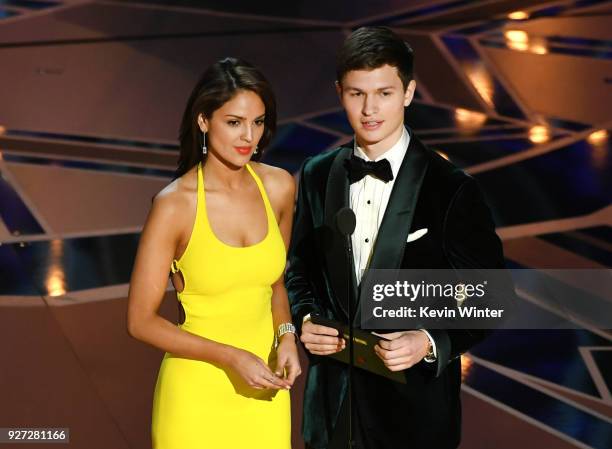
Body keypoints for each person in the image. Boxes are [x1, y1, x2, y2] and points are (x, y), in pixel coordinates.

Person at [286, 27, 506, 449]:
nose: (370, 109)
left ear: (408, 92)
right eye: (356, 94)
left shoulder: (451, 188)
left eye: (384, 93)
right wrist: (307, 319)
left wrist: (427, 340)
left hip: (414, 417)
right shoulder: (317, 174)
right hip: (332, 412)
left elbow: (492, 295)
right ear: (339, 92)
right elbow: (301, 271)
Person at [127, 57, 300, 449]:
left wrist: (286, 337)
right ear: (204, 121)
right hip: (195, 396)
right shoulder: (174, 206)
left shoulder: (279, 187)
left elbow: (274, 283)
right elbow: (140, 321)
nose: (248, 137)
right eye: (234, 122)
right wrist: (231, 356)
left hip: (266, 393)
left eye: (258, 122)